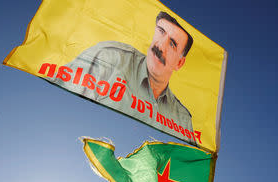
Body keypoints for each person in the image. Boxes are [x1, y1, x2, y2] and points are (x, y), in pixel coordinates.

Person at [52, 11, 197, 145]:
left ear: (179, 63)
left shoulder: (182, 120)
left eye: (172, 44)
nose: (160, 45)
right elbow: (59, 106)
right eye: (160, 32)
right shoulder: (108, 60)